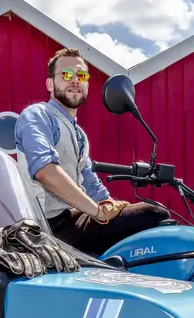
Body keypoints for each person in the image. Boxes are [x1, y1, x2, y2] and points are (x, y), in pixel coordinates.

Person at [14, 47, 170, 256]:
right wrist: (97, 211)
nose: (75, 80)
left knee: (154, 225)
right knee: (153, 214)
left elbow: (93, 187)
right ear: (50, 83)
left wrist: (111, 207)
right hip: (46, 225)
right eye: (66, 74)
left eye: (82, 75)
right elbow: (45, 170)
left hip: (74, 219)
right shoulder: (38, 115)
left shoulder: (79, 134)